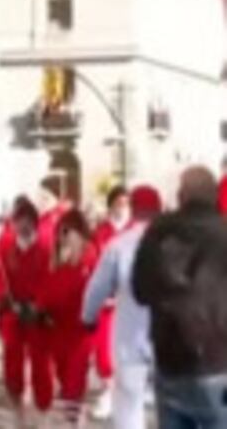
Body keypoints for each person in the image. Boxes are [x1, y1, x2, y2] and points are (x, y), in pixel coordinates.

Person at [132, 166, 227, 428]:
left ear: (181, 195)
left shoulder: (157, 232)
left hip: (170, 359)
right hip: (218, 361)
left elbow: (139, 291)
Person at [82, 185, 162, 429]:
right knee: (172, 407)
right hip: (169, 339)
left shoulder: (119, 245)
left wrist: (87, 317)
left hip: (130, 337)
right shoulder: (174, 243)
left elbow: (97, 288)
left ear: (134, 209)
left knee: (128, 406)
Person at [0, 196, 53, 429]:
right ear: (13, 224)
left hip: (38, 315)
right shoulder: (6, 249)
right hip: (13, 312)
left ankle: (43, 413)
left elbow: (51, 282)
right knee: (12, 364)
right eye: (19, 221)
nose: (24, 226)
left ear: (35, 223)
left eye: (28, 221)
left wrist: (39, 305)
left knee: (41, 365)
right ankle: (17, 412)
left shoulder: (46, 249)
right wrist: (5, 302)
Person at [39, 209, 97, 426]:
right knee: (64, 380)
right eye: (60, 232)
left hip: (80, 330)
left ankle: (74, 421)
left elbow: (97, 290)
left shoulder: (90, 258)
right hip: (58, 329)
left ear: (79, 233)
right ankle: (73, 417)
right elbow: (46, 292)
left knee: (74, 383)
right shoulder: (55, 260)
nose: (63, 237)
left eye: (67, 231)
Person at [87, 184, 131, 420]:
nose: (122, 208)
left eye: (126, 203)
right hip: (107, 303)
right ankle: (108, 390)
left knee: (130, 352)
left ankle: (125, 394)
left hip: (132, 303)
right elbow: (94, 265)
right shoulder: (100, 233)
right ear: (110, 205)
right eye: (118, 203)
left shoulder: (137, 230)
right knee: (103, 351)